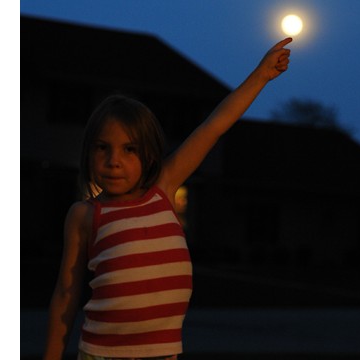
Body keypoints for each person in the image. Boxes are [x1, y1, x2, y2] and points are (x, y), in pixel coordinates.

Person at [43, 37, 292, 360]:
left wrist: (260, 76)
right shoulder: (85, 214)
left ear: (148, 156)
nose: (113, 160)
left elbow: (214, 126)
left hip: (162, 354)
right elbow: (66, 293)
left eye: (129, 149)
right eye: (102, 148)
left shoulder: (163, 188)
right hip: (102, 354)